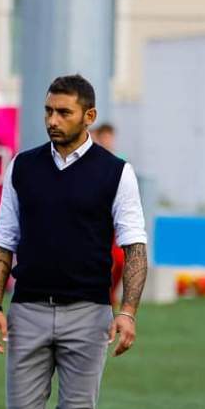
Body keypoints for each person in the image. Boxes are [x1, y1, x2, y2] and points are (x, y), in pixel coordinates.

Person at [0, 74, 148, 409]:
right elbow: (2, 239)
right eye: (48, 111)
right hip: (28, 310)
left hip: (89, 315)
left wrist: (128, 312)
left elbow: (134, 247)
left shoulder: (116, 173)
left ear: (88, 117)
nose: (53, 121)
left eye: (64, 113)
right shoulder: (23, 166)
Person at [92, 122, 126, 304]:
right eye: (104, 137)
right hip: (97, 221)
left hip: (114, 219)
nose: (107, 141)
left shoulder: (120, 163)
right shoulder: (90, 162)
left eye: (109, 137)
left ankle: (110, 296)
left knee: (119, 259)